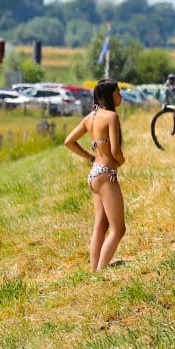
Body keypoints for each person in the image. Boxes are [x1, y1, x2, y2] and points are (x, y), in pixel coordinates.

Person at [64, 78, 125, 271]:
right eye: (117, 92)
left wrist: (91, 158)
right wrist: (121, 161)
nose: (120, 96)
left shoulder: (90, 117)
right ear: (109, 95)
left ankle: (94, 268)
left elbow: (69, 141)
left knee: (101, 225)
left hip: (94, 173)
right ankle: (100, 270)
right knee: (118, 229)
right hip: (106, 175)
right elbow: (115, 150)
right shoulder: (111, 117)